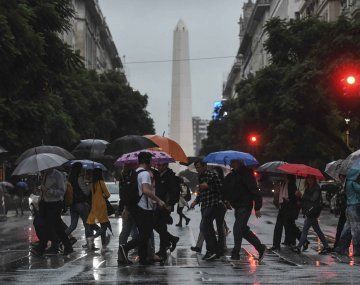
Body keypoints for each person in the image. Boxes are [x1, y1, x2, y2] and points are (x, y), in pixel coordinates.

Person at [118, 152, 167, 266]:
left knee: (144, 234)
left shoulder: (135, 172)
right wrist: (159, 200)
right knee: (145, 234)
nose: (152, 163)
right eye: (151, 160)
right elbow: (145, 190)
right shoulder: (144, 173)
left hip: (135, 207)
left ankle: (143, 258)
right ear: (147, 161)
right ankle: (125, 247)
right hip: (143, 207)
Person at [223, 160, 266, 262]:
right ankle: (260, 247)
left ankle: (235, 253)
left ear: (238, 162)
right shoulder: (233, 175)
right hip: (237, 206)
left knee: (237, 228)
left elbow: (254, 190)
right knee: (243, 230)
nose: (230, 164)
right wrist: (226, 200)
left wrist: (257, 207)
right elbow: (227, 189)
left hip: (245, 205)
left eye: (232, 162)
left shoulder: (247, 174)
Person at [30, 168, 73, 256]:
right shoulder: (45, 174)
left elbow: (61, 191)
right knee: (55, 227)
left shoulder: (57, 175)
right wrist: (41, 191)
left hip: (55, 204)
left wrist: (48, 191)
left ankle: (41, 248)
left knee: (50, 226)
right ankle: (67, 246)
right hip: (44, 204)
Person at [190, 160, 222, 261]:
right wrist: (196, 201)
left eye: (199, 167)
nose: (197, 169)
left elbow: (220, 188)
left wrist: (208, 186)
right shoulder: (200, 176)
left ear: (205, 166)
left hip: (212, 204)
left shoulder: (212, 175)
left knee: (204, 226)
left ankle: (211, 250)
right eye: (196, 167)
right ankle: (215, 251)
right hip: (204, 204)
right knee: (208, 227)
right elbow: (201, 191)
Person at [292, 176, 331, 254]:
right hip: (308, 211)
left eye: (311, 178)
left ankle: (299, 247)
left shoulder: (316, 188)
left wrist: (303, 195)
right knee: (317, 230)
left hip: (313, 211)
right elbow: (304, 200)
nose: (309, 180)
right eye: (308, 178)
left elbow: (313, 199)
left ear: (314, 179)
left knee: (305, 229)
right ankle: (327, 247)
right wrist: (299, 196)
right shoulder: (307, 188)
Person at [65, 163, 96, 250]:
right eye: (82, 168)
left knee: (73, 225)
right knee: (87, 225)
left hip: (72, 205)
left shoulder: (69, 179)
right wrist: (89, 184)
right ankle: (90, 244)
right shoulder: (79, 178)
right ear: (79, 169)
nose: (83, 170)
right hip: (81, 204)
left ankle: (61, 239)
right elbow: (86, 192)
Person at [270, 175, 306, 250]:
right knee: (283, 226)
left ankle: (302, 241)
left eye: (284, 176)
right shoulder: (283, 184)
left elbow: (294, 198)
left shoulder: (291, 185)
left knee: (289, 226)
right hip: (283, 207)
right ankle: (276, 245)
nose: (283, 177)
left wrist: (297, 195)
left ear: (288, 177)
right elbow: (280, 196)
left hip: (289, 208)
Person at [153, 163, 180, 260]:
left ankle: (163, 251)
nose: (158, 166)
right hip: (159, 204)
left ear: (165, 165)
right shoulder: (158, 175)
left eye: (160, 165)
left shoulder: (170, 176)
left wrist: (169, 204)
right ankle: (171, 239)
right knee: (157, 225)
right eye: (157, 165)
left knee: (161, 227)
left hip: (165, 206)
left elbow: (174, 192)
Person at [334, 167, 360, 256]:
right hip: (354, 206)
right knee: (356, 229)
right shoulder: (352, 183)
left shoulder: (346, 183)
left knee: (347, 229)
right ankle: (357, 250)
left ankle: (341, 248)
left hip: (349, 208)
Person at [87, 168, 111, 253]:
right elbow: (108, 194)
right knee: (104, 226)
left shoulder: (92, 183)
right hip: (101, 206)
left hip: (94, 206)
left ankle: (104, 247)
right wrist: (103, 196)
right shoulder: (101, 182)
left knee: (102, 226)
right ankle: (93, 237)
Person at [333, 174, 348, 250]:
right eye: (340, 176)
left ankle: (341, 246)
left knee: (345, 230)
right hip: (343, 210)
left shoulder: (348, 184)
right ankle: (337, 245)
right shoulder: (341, 185)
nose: (340, 178)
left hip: (347, 209)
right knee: (340, 228)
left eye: (342, 176)